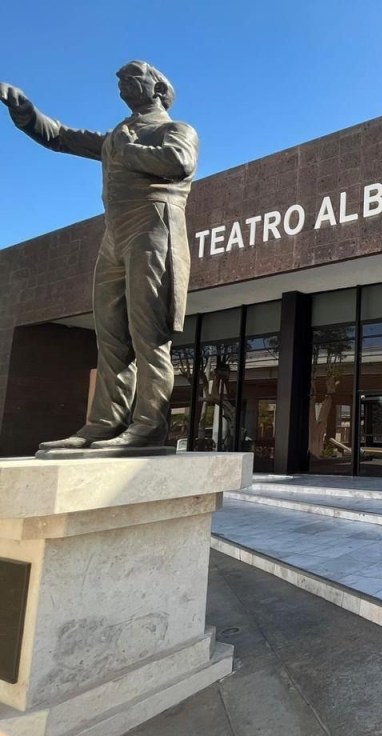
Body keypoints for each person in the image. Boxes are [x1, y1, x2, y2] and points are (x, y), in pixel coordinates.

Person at [0, 61, 199, 450]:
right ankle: (105, 423)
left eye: (132, 76)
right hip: (115, 235)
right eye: (119, 79)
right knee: (110, 337)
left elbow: (179, 163)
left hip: (154, 227)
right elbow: (60, 136)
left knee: (149, 337)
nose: (121, 83)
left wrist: (127, 150)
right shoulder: (114, 137)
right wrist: (25, 112)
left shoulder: (175, 130)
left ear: (158, 88)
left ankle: (148, 426)